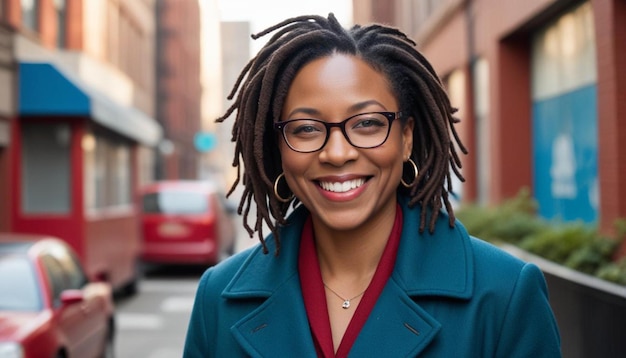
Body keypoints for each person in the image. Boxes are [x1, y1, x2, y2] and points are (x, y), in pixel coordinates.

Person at [183, 13, 561, 357]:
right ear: (279, 148)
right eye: (307, 129)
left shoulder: (504, 294)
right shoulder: (218, 297)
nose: (336, 152)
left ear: (406, 137)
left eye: (366, 124)